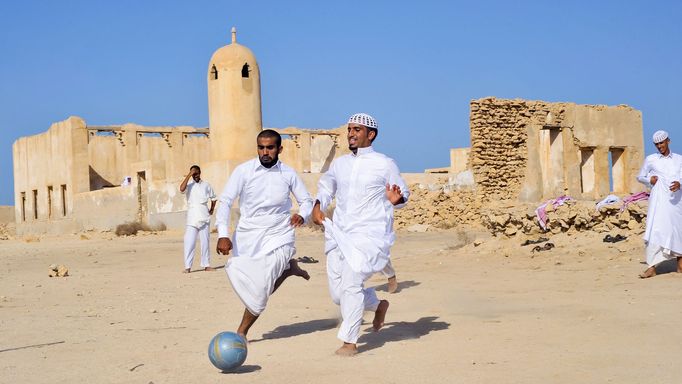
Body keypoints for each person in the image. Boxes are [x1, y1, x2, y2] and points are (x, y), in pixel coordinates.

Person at [312, 112, 410, 356]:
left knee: (352, 283)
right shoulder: (340, 164)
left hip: (370, 234)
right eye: (349, 129)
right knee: (339, 295)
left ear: (371, 134)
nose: (351, 134)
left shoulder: (385, 163)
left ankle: (349, 341)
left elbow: (402, 194)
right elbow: (326, 187)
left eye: (357, 130)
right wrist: (318, 205)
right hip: (340, 233)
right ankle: (377, 305)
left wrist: (397, 200)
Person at [216, 129, 313, 339]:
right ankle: (287, 271)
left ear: (280, 149)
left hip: (280, 233)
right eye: (261, 147)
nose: (265, 152)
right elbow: (225, 201)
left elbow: (306, 201)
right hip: (248, 235)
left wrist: (302, 215)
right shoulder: (243, 171)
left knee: (260, 288)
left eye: (270, 148)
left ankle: (241, 332)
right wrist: (223, 234)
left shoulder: (288, 173)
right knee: (252, 283)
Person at [636, 130, 682, 278]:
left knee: (678, 230)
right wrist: (650, 180)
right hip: (659, 202)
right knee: (656, 230)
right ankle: (651, 267)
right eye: (656, 144)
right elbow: (640, 176)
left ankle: (680, 264)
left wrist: (680, 184)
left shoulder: (679, 159)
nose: (659, 146)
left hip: (676, 202)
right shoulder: (651, 159)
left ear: (668, 141)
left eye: (661, 143)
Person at [179, 165, 217, 273]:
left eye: (197, 173)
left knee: (205, 242)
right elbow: (181, 189)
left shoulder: (206, 185)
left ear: (200, 173)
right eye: (193, 174)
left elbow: (214, 198)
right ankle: (187, 267)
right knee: (189, 242)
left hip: (204, 216)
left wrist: (212, 209)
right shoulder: (189, 186)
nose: (195, 176)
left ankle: (206, 265)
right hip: (192, 218)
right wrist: (189, 174)